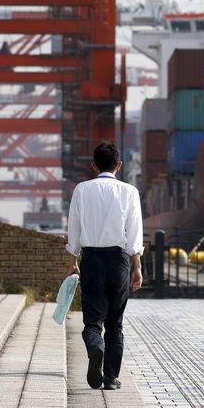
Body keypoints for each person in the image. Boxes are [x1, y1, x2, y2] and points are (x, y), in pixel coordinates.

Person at [66, 142, 143, 390]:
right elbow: (134, 233)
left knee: (92, 320)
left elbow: (74, 228)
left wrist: (73, 260)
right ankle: (110, 378)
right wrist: (137, 267)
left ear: (94, 165)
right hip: (119, 259)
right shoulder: (129, 191)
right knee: (115, 323)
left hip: (91, 259)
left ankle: (94, 347)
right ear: (119, 165)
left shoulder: (81, 190)